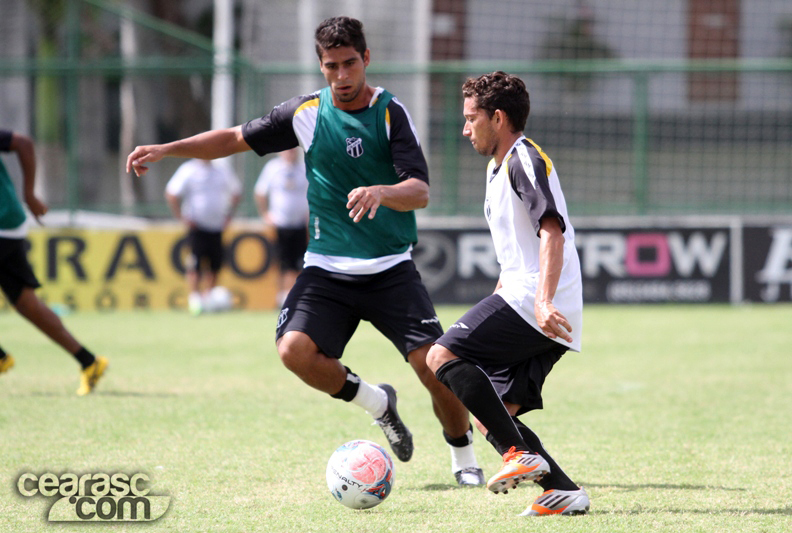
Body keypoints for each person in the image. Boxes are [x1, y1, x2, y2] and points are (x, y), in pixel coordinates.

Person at [127, 16, 483, 485]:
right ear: (321, 66)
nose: (341, 75)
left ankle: (464, 460)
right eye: (331, 66)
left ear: (366, 60)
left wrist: (380, 191)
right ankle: (378, 403)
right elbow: (234, 138)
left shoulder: (391, 113)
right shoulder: (304, 114)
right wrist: (169, 148)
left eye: (350, 63)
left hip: (390, 268)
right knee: (294, 350)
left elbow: (419, 191)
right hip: (326, 270)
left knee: (433, 367)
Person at [426, 71, 590, 515]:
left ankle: (518, 457)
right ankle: (564, 491)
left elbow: (551, 231)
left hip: (538, 304)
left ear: (497, 118)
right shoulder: (497, 166)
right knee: (494, 416)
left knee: (439, 356)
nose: (465, 129)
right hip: (525, 297)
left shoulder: (524, 159)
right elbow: (516, 249)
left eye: (471, 118)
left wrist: (541, 299)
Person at [0, 129, 108, 396]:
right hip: (8, 225)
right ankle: (89, 362)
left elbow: (22, 142)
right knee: (26, 304)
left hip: (2, 222)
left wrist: (30, 194)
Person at [165, 158, 242, 314]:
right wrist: (180, 216)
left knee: (215, 264)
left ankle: (208, 299)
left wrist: (229, 214)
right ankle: (195, 299)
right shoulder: (188, 169)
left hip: (217, 226)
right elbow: (172, 193)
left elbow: (236, 192)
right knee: (195, 263)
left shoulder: (221, 170)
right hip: (197, 226)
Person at [254, 148, 308, 307]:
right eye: (287, 150)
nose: (290, 153)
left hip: (300, 224)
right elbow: (260, 192)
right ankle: (282, 295)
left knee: (299, 262)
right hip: (280, 224)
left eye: (293, 150)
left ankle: (295, 294)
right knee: (282, 262)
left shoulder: (304, 167)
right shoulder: (273, 168)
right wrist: (265, 214)